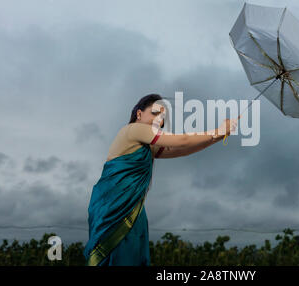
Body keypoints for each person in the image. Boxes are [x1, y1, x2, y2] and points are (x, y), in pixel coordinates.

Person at [83, 93, 237, 266]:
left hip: (133, 208)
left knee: (132, 256)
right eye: (155, 113)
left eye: (162, 117)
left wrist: (219, 136)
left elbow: (183, 149)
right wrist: (218, 131)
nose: (159, 120)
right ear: (139, 114)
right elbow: (183, 140)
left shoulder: (149, 146)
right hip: (112, 207)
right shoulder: (133, 129)